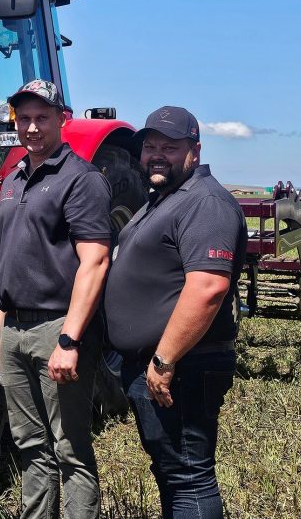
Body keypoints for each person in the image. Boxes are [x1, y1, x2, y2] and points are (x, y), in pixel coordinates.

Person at [102, 106, 247, 518]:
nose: (157, 154)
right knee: (172, 471)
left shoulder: (205, 202)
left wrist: (164, 359)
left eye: (170, 145)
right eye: (150, 146)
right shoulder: (164, 199)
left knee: (188, 477)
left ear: (194, 151)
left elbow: (208, 288)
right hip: (160, 365)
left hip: (183, 366)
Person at [0, 80, 112, 518]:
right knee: (28, 444)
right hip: (14, 329)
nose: (31, 127)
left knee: (70, 448)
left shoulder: (81, 180)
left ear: (63, 119)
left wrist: (69, 340)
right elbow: (9, 260)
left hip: (55, 329)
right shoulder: (12, 179)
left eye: (42, 117)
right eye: (23, 118)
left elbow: (95, 261)